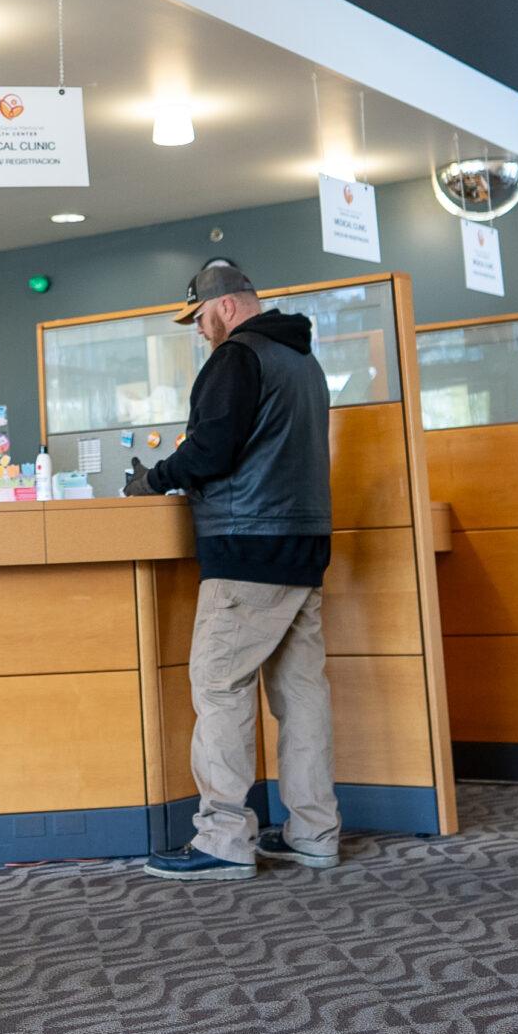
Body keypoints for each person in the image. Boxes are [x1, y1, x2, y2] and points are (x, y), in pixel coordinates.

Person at [133, 258, 338, 881]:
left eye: (198, 316)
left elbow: (211, 449)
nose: (198, 329)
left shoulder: (237, 357)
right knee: (301, 695)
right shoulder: (304, 362)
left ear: (224, 306)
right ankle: (314, 831)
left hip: (246, 548)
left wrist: (154, 478)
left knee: (220, 689)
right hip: (304, 548)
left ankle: (223, 836)